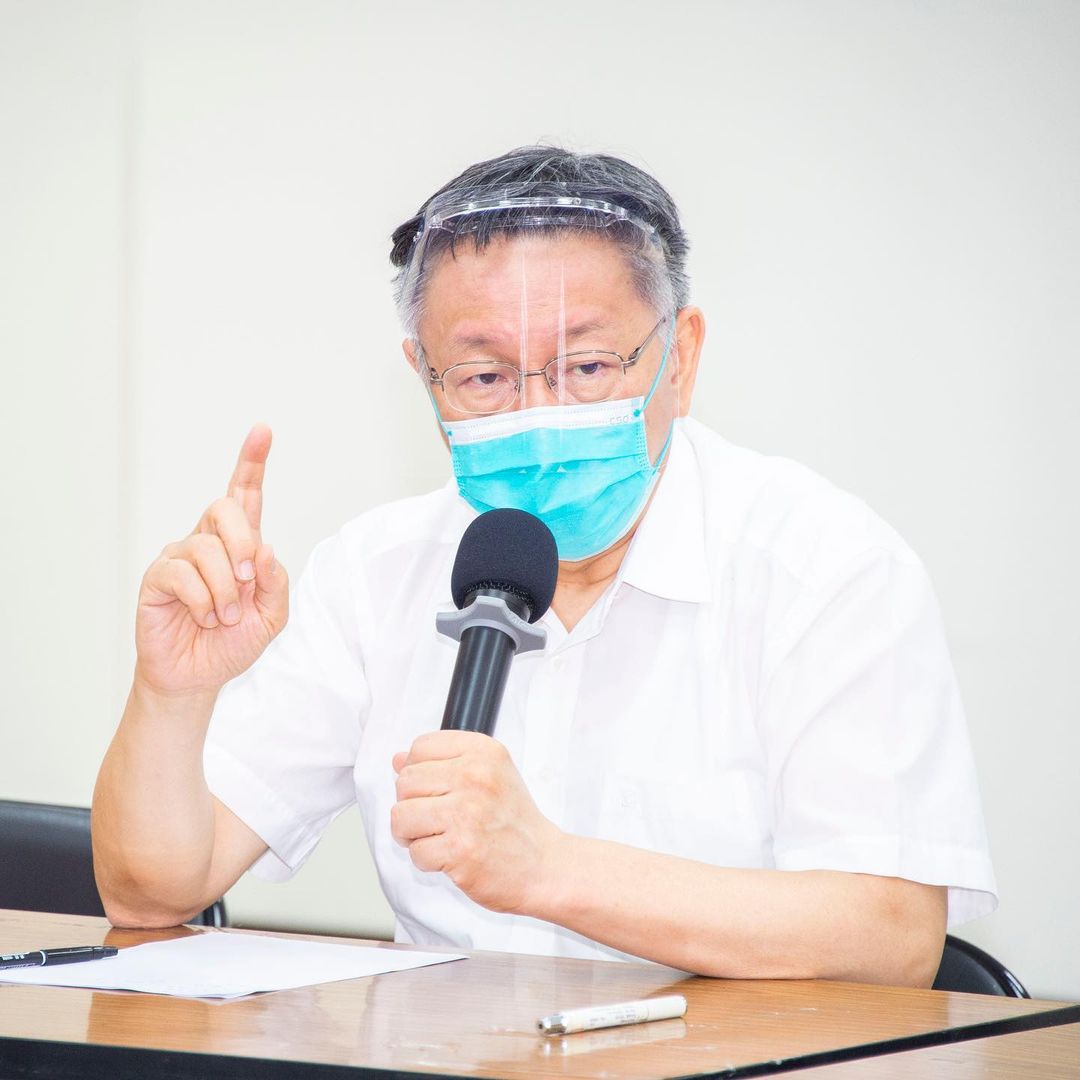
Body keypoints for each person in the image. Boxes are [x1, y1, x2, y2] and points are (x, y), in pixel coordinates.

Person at [92, 146, 996, 986]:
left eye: (588, 366)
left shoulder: (824, 568)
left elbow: (889, 937)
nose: (539, 416)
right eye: (484, 378)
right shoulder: (375, 573)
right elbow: (153, 893)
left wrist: (550, 869)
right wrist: (172, 695)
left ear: (680, 357)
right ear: (425, 377)